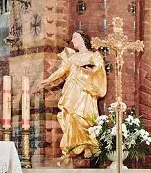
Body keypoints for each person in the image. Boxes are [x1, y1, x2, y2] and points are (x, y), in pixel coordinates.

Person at [36, 30, 107, 158]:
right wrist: (47, 80)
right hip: (71, 90)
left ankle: (88, 145)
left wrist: (91, 69)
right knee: (70, 116)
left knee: (84, 116)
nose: (73, 40)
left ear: (83, 39)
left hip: (85, 90)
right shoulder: (71, 57)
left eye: (75, 37)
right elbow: (61, 71)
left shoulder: (94, 55)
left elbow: (99, 69)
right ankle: (72, 146)